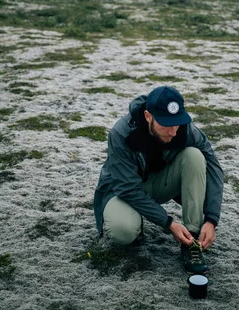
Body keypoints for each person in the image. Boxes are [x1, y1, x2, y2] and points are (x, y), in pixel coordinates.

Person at [93, 86, 224, 274]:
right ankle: (135, 224)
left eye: (177, 123)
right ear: (148, 116)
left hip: (158, 184)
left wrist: (211, 219)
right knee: (123, 231)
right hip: (121, 191)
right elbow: (128, 188)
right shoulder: (121, 133)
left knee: (195, 156)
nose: (173, 131)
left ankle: (192, 239)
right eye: (166, 124)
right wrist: (168, 222)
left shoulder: (184, 129)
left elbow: (214, 167)